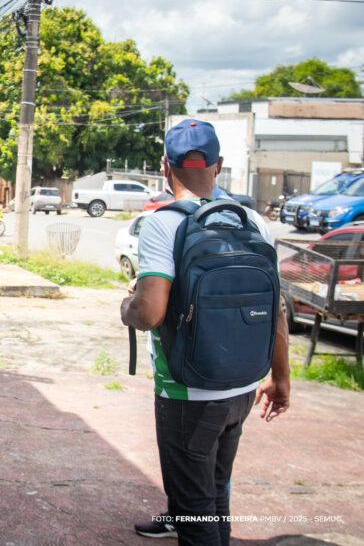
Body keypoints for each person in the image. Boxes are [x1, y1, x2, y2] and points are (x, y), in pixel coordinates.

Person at [120, 119, 290, 545]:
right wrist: (281, 378)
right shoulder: (252, 220)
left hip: (187, 392)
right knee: (215, 489)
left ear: (165, 167)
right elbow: (276, 312)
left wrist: (129, 307)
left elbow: (151, 312)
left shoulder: (163, 223)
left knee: (195, 507)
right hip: (242, 385)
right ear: (219, 165)